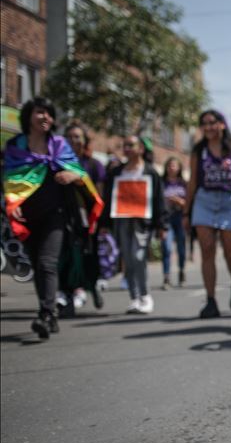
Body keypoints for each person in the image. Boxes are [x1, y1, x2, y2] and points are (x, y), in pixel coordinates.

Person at [2, 98, 103, 339]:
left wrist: (72, 175)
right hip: (27, 216)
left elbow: (79, 174)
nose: (45, 117)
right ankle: (50, 314)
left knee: (48, 263)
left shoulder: (59, 145)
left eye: (48, 113)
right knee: (38, 265)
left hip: (55, 214)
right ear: (28, 116)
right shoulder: (16, 146)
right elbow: (9, 179)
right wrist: (10, 202)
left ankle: (46, 314)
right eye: (40, 112)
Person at [183, 110, 231, 319]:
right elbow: (192, 181)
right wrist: (187, 211)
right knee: (207, 249)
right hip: (204, 200)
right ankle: (211, 301)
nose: (208, 127)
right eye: (204, 124)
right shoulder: (198, 152)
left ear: (222, 124)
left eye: (212, 123)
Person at [101, 135, 166, 315]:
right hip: (121, 221)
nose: (127, 148)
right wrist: (104, 223)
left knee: (138, 258)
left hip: (142, 223)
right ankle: (134, 298)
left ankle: (145, 296)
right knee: (127, 261)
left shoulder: (150, 172)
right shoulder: (117, 173)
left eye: (131, 145)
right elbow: (108, 199)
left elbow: (159, 200)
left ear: (141, 149)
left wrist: (162, 225)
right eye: (125, 146)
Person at [60, 121, 106, 313]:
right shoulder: (58, 162)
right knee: (67, 255)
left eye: (77, 136)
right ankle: (68, 293)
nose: (73, 140)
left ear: (84, 140)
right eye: (69, 137)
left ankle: (91, 286)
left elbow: (99, 196)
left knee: (87, 256)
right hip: (63, 217)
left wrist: (101, 223)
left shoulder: (94, 165)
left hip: (88, 219)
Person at [161, 156, 188, 290]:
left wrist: (179, 201)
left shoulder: (183, 183)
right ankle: (166, 277)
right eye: (169, 165)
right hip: (166, 220)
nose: (172, 167)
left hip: (180, 218)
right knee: (166, 248)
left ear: (179, 168)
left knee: (181, 249)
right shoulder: (161, 183)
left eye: (174, 165)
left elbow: (188, 203)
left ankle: (181, 271)